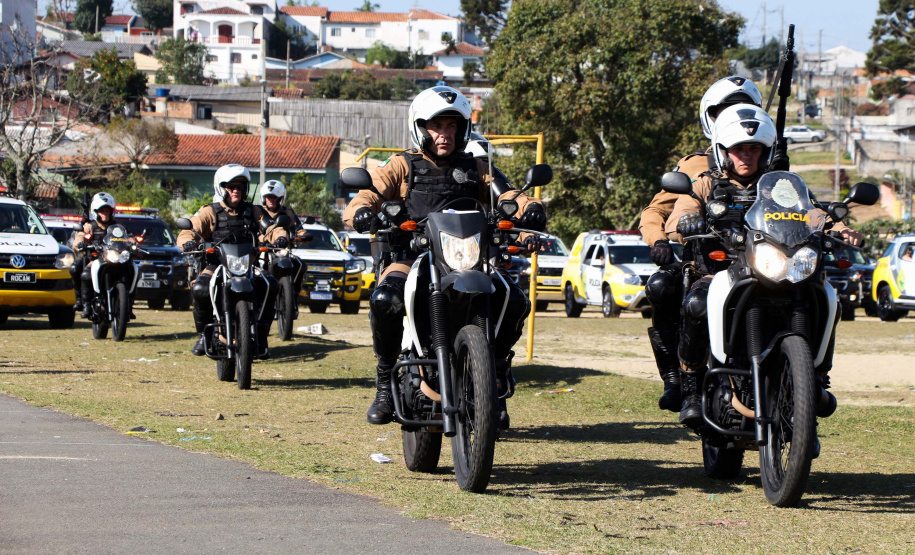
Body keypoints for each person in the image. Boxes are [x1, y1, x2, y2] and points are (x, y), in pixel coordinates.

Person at [342, 85, 547, 429]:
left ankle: (495, 369)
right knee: (385, 299)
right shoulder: (402, 165)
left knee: (514, 300)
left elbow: (507, 195)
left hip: (467, 260)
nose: (444, 134)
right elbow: (367, 194)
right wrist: (362, 211)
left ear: (463, 129)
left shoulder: (478, 167)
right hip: (413, 256)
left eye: (452, 126)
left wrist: (530, 210)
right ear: (421, 128)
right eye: (437, 126)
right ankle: (383, 384)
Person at [667, 104, 861, 429]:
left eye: (754, 148)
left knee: (828, 299)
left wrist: (839, 230)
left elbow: (813, 213)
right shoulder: (704, 183)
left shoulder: (782, 186)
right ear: (724, 151)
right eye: (739, 148)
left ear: (766, 150)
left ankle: (816, 379)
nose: (746, 155)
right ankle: (690, 388)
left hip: (778, 269)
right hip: (723, 270)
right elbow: (679, 212)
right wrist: (686, 220)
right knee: (697, 303)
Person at [639, 76, 765, 413]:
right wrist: (660, 239)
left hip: (765, 259)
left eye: (743, 109)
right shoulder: (697, 166)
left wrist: (835, 226)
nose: (734, 116)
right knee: (664, 287)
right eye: (725, 110)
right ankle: (675, 378)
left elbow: (801, 204)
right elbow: (662, 209)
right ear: (710, 117)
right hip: (709, 256)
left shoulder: (771, 160)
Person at [177, 164, 286, 359]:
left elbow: (271, 228)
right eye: (230, 186)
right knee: (200, 289)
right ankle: (204, 334)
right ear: (221, 187)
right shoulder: (210, 212)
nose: (236, 190)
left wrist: (280, 237)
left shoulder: (254, 211)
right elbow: (190, 230)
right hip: (216, 264)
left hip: (248, 265)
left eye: (240, 186)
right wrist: (187, 242)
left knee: (271, 285)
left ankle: (261, 334)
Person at [71, 192, 121, 318]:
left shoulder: (117, 227)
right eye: (102, 211)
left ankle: (128, 302)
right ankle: (85, 304)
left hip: (114, 260)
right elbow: (79, 239)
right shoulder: (90, 226)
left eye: (107, 211)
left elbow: (128, 237)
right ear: (96, 212)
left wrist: (133, 242)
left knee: (132, 269)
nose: (105, 213)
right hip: (95, 259)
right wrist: (81, 244)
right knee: (84, 273)